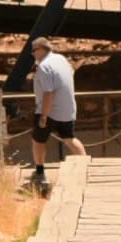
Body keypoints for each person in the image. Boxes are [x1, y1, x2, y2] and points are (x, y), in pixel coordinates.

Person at [24, 34, 80, 190]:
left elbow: (48, 93)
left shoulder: (43, 66)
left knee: (38, 140)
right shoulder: (61, 59)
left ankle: (40, 171)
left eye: (34, 51)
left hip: (49, 109)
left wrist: (43, 116)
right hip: (67, 107)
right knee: (69, 138)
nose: (33, 54)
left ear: (41, 49)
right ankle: (85, 167)